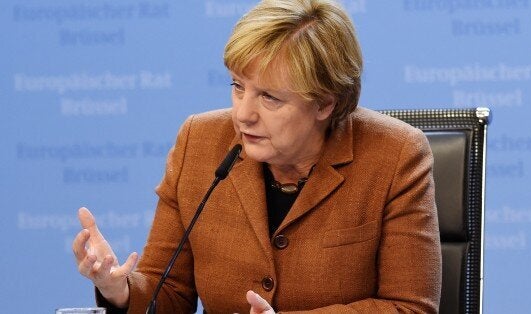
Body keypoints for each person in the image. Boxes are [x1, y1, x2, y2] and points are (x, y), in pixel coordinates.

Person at [72, 0, 442, 313]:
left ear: (325, 103)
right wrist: (118, 288)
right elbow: (169, 292)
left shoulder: (394, 155)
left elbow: (408, 307)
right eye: (238, 86)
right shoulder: (198, 142)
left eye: (270, 97)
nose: (243, 114)